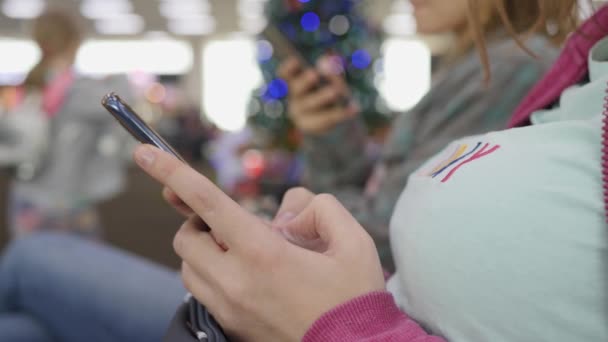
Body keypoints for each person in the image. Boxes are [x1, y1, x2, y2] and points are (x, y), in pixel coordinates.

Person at [2, 1, 607, 342]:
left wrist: (341, 319)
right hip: (328, 315)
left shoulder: (509, 71)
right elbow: (381, 203)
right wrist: (330, 140)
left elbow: (376, 227)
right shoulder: (522, 78)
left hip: (324, 321)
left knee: (35, 259)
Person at [279, 0, 573, 269]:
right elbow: (385, 198)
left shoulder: (509, 66)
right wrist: (330, 131)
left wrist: (292, 223)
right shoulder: (479, 66)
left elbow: (392, 230)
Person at [2, 10, 132, 238]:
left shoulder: (28, 86)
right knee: (78, 270)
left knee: (30, 268)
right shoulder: (79, 91)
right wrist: (119, 78)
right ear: (74, 43)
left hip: (25, 198)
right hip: (66, 204)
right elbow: (124, 105)